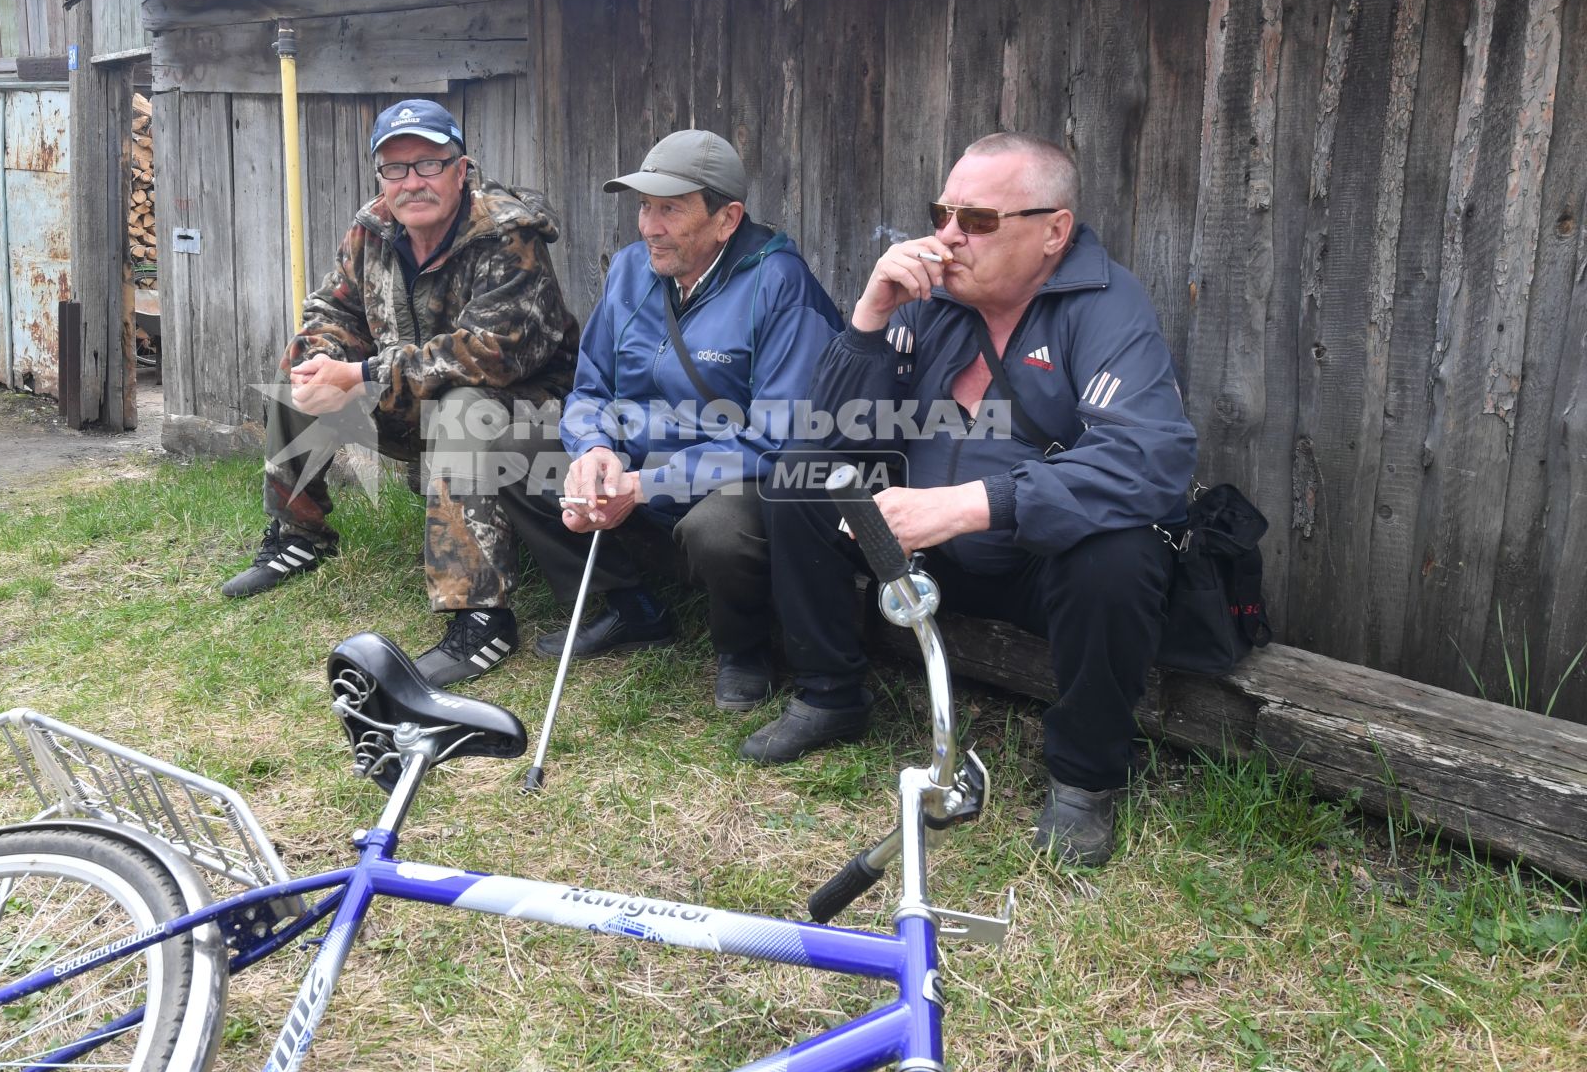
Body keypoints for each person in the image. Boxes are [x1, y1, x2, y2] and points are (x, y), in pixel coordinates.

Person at [762, 132, 1195, 866]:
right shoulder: (928, 303)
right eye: (943, 213)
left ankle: (1085, 779)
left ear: (1053, 231)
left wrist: (970, 504)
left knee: (1121, 553)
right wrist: (869, 317)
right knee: (800, 470)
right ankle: (830, 692)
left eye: (979, 221)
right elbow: (830, 429)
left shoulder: (1105, 306)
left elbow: (1151, 458)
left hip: (1037, 564)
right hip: (924, 554)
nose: (948, 236)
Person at [222, 98, 580, 687]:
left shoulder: (507, 236)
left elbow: (489, 351)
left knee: (462, 407)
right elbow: (332, 307)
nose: (411, 182)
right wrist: (324, 359)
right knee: (302, 370)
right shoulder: (372, 229)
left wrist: (361, 377)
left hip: (528, 418)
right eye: (395, 169)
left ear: (460, 170)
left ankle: (481, 620)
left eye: (428, 165)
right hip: (416, 400)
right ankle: (298, 534)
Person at [500, 129, 843, 712]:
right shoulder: (632, 270)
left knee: (721, 531)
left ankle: (744, 647)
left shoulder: (781, 286)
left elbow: (774, 438)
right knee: (506, 450)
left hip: (733, 473)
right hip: (635, 455)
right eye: (643, 207)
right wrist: (592, 449)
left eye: (670, 209)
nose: (648, 227)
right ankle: (628, 604)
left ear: (726, 219)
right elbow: (591, 387)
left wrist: (645, 485)